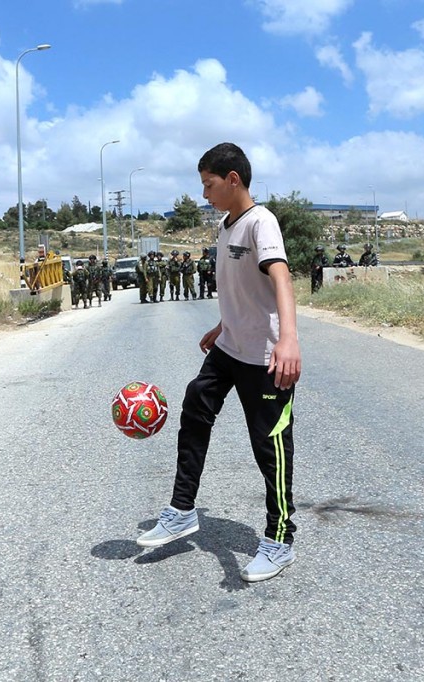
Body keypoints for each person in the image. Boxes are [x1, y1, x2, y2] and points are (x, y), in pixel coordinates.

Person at [136, 142, 301, 584]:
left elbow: (280, 277)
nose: (204, 194)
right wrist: (221, 325)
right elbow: (243, 291)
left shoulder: (260, 222)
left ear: (233, 180)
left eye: (208, 185)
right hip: (231, 346)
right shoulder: (227, 227)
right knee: (196, 404)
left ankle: (280, 539)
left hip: (266, 359)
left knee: (271, 449)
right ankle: (182, 510)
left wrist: (288, 340)